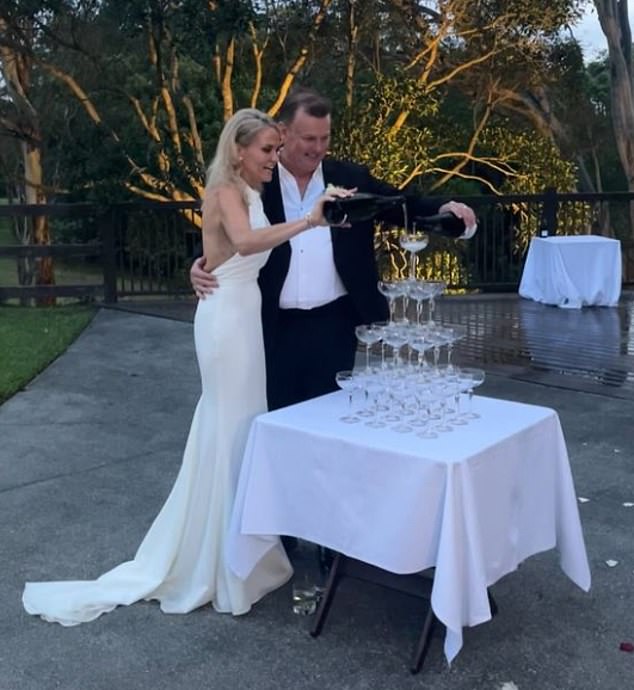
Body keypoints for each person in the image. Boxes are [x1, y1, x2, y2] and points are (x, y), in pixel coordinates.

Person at [22, 108, 351, 625]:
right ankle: (218, 563)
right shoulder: (224, 190)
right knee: (227, 429)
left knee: (243, 429)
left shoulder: (248, 190)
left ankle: (246, 555)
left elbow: (222, 251)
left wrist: (201, 263)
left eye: (275, 149)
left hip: (244, 316)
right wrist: (310, 220)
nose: (274, 158)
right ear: (238, 149)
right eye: (266, 149)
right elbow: (242, 243)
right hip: (225, 322)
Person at [191, 87, 477, 413]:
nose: (318, 148)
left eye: (324, 138)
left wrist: (447, 205)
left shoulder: (349, 177)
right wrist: (201, 265)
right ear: (283, 133)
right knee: (272, 418)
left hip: (335, 324)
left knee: (328, 418)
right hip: (269, 323)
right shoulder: (258, 181)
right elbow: (226, 233)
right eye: (309, 139)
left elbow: (402, 205)